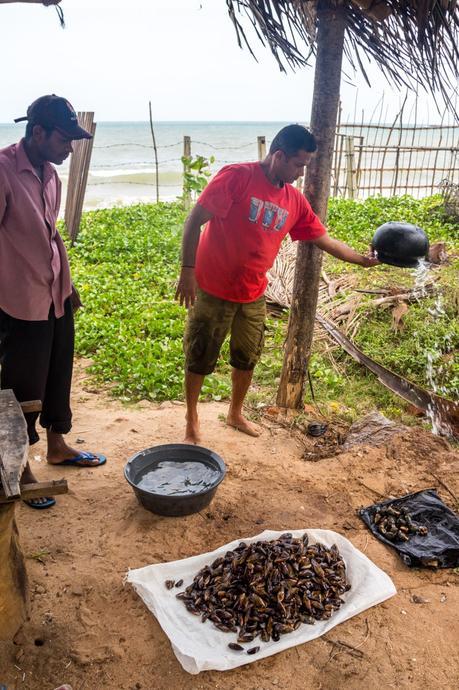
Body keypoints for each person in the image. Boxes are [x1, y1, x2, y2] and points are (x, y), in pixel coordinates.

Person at [175, 124, 379, 444]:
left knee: (247, 356)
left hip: (253, 292)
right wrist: (187, 271)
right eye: (298, 164)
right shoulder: (237, 177)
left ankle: (235, 413)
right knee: (200, 354)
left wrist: (362, 260)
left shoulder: (293, 201)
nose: (301, 173)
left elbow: (323, 238)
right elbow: (193, 222)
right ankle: (191, 418)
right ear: (279, 156)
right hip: (213, 287)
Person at [0, 95, 106, 509]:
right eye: (65, 138)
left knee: (59, 370)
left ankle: (58, 445)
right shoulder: (5, 171)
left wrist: (67, 283)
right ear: (38, 131)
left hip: (55, 291)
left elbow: (49, 233)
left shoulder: (50, 175)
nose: (70, 147)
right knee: (22, 384)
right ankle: (20, 467)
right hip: (19, 299)